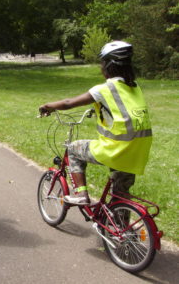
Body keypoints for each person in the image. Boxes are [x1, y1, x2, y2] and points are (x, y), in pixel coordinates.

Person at [39, 41, 152, 205]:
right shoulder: (135, 87)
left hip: (116, 150)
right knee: (120, 195)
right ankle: (120, 227)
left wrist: (48, 107)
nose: (101, 67)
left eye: (102, 63)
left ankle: (81, 195)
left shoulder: (104, 89)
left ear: (109, 66)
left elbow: (69, 102)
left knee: (73, 149)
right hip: (137, 151)